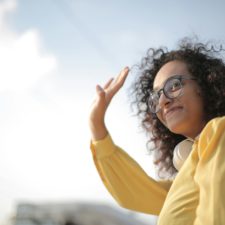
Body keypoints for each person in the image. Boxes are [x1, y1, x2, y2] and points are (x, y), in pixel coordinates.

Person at [88, 38, 225, 225]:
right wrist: (96, 124)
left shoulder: (220, 130)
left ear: (206, 83)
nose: (162, 102)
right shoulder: (191, 170)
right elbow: (135, 194)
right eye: (156, 96)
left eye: (174, 86)